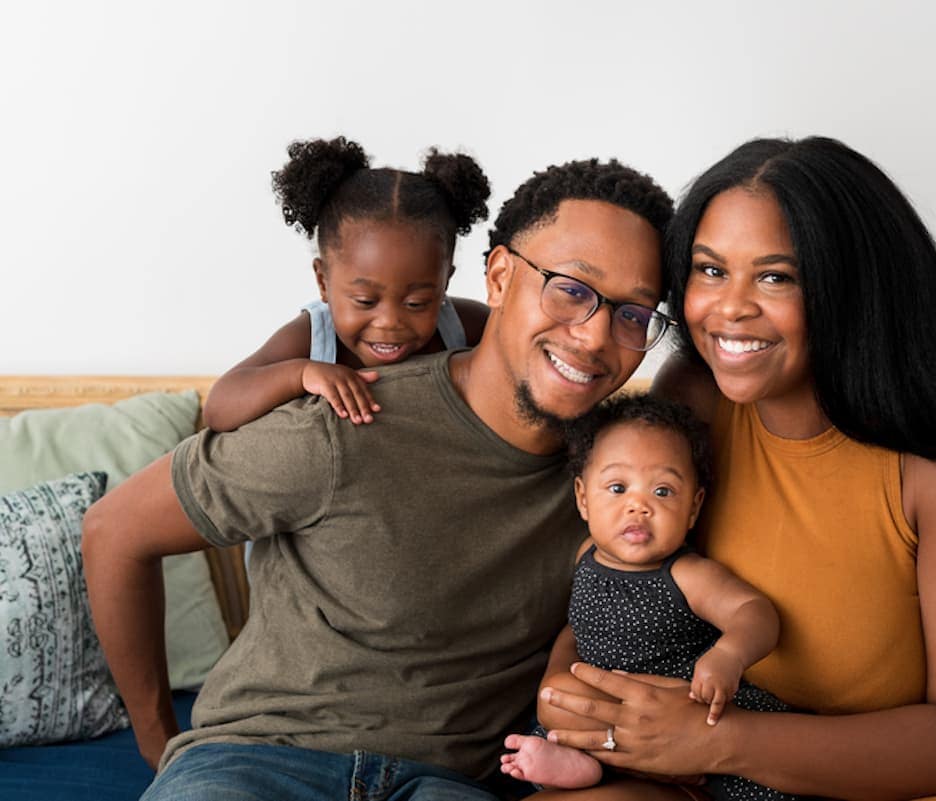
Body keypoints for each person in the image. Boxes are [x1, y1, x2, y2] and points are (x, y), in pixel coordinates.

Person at [81, 156, 675, 801]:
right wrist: (156, 739)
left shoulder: (624, 480)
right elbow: (114, 530)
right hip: (258, 762)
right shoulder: (342, 421)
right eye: (570, 288)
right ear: (500, 276)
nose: (592, 337)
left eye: (633, 314)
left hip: (450, 782)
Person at [535, 137, 936, 801]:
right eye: (711, 271)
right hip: (734, 769)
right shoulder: (696, 397)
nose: (731, 308)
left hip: (928, 781)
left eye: (776, 276)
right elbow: (624, 569)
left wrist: (720, 737)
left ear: (851, 286)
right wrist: (568, 683)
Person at [500, 394, 792, 800]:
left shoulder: (687, 575)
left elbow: (755, 612)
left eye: (663, 491)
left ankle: (655, 771)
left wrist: (729, 655)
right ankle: (589, 766)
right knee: (559, 704)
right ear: (583, 498)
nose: (638, 506)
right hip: (607, 710)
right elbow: (578, 624)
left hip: (676, 712)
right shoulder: (587, 555)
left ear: (694, 507)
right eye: (618, 488)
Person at [202, 136, 491, 432]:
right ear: (322, 282)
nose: (390, 322)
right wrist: (301, 374)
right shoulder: (313, 339)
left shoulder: (463, 327)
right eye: (366, 301)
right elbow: (218, 408)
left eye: (416, 303)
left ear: (444, 283)